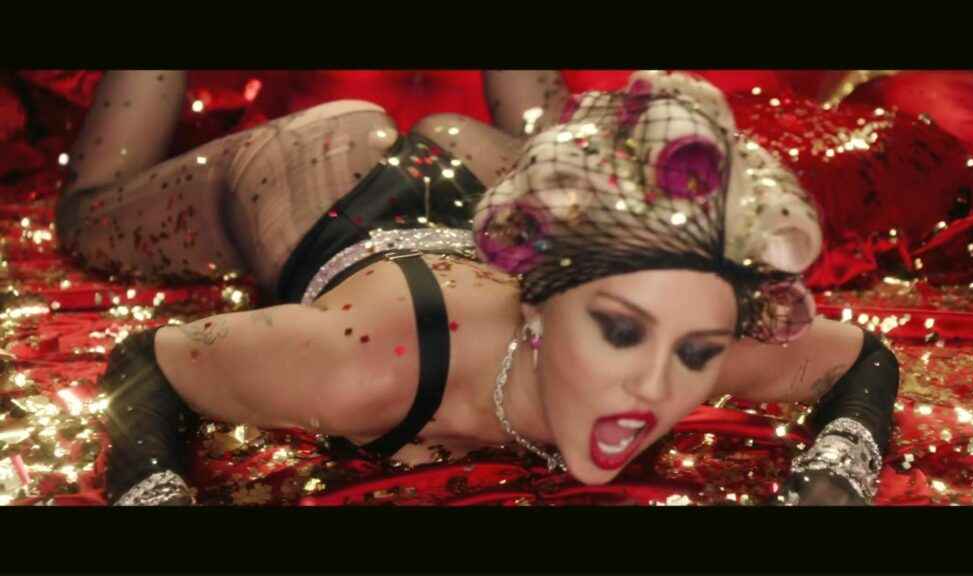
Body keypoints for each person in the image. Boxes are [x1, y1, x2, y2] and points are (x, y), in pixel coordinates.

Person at [55, 70, 899, 506]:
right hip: (318, 172)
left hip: (480, 164)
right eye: (619, 332)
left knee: (576, 148)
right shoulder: (363, 368)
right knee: (89, 221)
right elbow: (150, 360)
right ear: (535, 297)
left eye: (697, 353)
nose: (654, 390)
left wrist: (838, 470)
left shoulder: (678, 323)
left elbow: (860, 355)